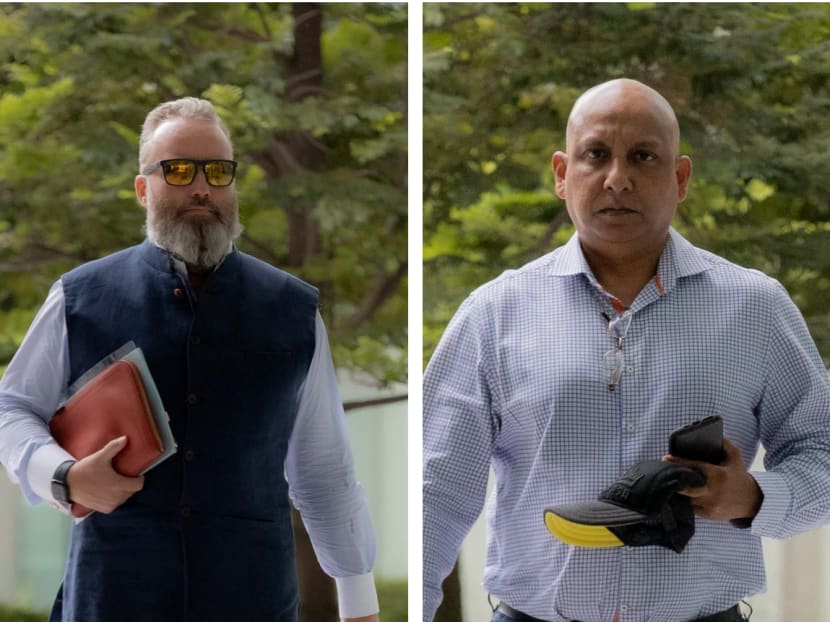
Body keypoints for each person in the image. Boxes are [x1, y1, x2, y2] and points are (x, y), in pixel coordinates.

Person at [422, 78, 830, 622]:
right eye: (596, 155)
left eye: (643, 156)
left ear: (680, 178)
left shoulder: (755, 306)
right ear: (563, 175)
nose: (618, 178)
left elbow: (822, 451)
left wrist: (753, 497)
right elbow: (436, 492)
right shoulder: (494, 311)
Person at [0, 97, 380, 622]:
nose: (201, 187)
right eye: (178, 170)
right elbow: (11, 409)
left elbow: (323, 469)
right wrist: (62, 475)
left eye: (218, 172)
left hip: (252, 601)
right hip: (112, 599)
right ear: (142, 188)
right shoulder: (80, 296)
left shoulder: (294, 310)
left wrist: (358, 602)